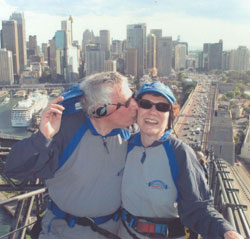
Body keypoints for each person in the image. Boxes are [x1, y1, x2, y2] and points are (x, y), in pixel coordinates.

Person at [4, 72, 138, 239]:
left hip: (114, 231)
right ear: (100, 111)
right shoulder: (65, 131)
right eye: (126, 103)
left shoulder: (129, 132)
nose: (135, 106)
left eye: (133, 97)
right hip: (65, 232)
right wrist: (42, 138)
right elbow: (14, 170)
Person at [118, 81, 243, 239]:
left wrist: (226, 232)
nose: (152, 112)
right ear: (137, 109)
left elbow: (198, 207)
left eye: (162, 107)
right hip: (125, 233)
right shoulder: (124, 146)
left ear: (170, 115)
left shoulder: (180, 153)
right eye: (145, 104)